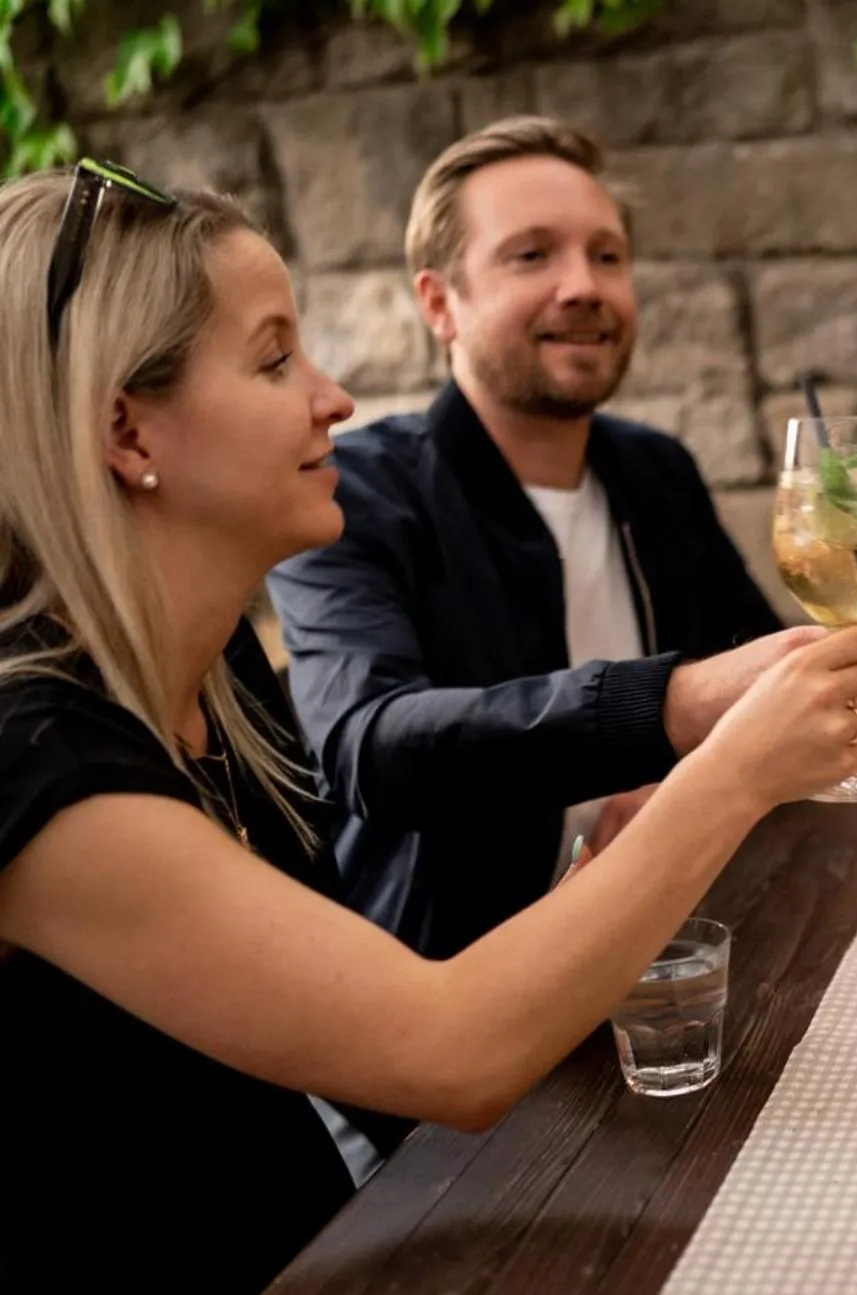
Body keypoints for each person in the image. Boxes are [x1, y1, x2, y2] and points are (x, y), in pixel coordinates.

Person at [0, 163, 857, 1295]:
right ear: (127, 430)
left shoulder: (215, 684)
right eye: (273, 361)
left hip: (335, 1267)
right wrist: (727, 766)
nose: (332, 396)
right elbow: (451, 1051)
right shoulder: (41, 758)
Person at [268, 116, 801, 966]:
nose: (583, 285)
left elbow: (761, 671)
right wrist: (664, 708)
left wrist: (682, 791)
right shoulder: (355, 492)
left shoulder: (656, 470)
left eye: (608, 256)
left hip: (676, 947)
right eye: (531, 255)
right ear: (439, 303)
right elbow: (370, 744)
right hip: (440, 983)